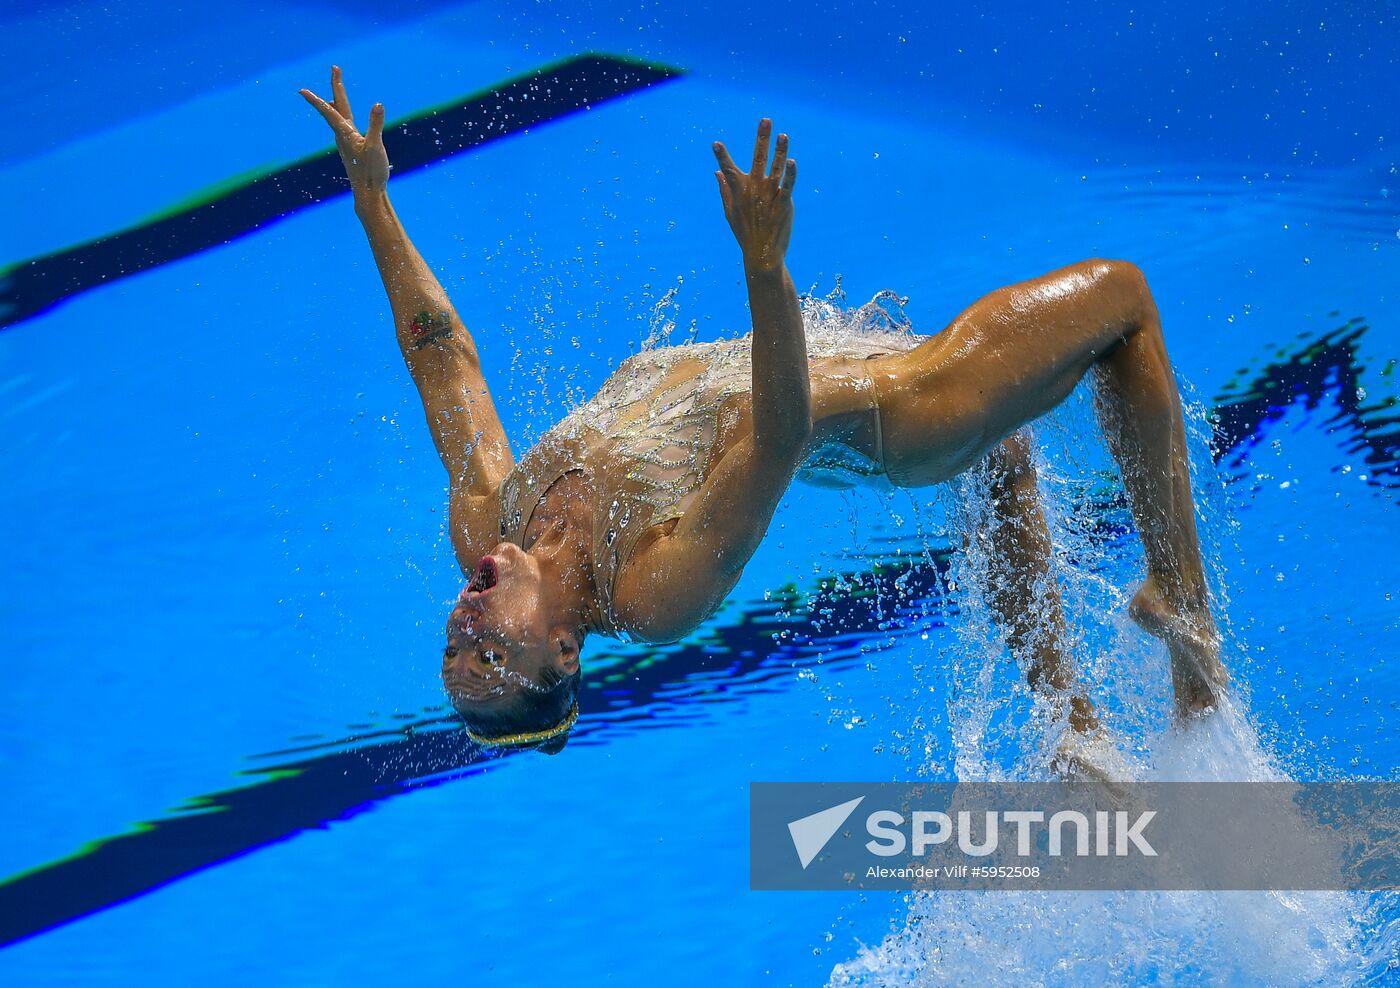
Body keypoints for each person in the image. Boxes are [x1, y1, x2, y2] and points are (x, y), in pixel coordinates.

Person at [300, 67, 1227, 758]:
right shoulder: (650, 594)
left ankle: (1072, 725)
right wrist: (765, 268)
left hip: (832, 375)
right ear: (564, 649)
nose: (464, 634)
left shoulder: (488, 524)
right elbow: (779, 435)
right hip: (902, 409)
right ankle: (1178, 592)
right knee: (1124, 300)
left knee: (1005, 458)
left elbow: (443, 359)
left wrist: (372, 201)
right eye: (490, 660)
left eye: (454, 655)